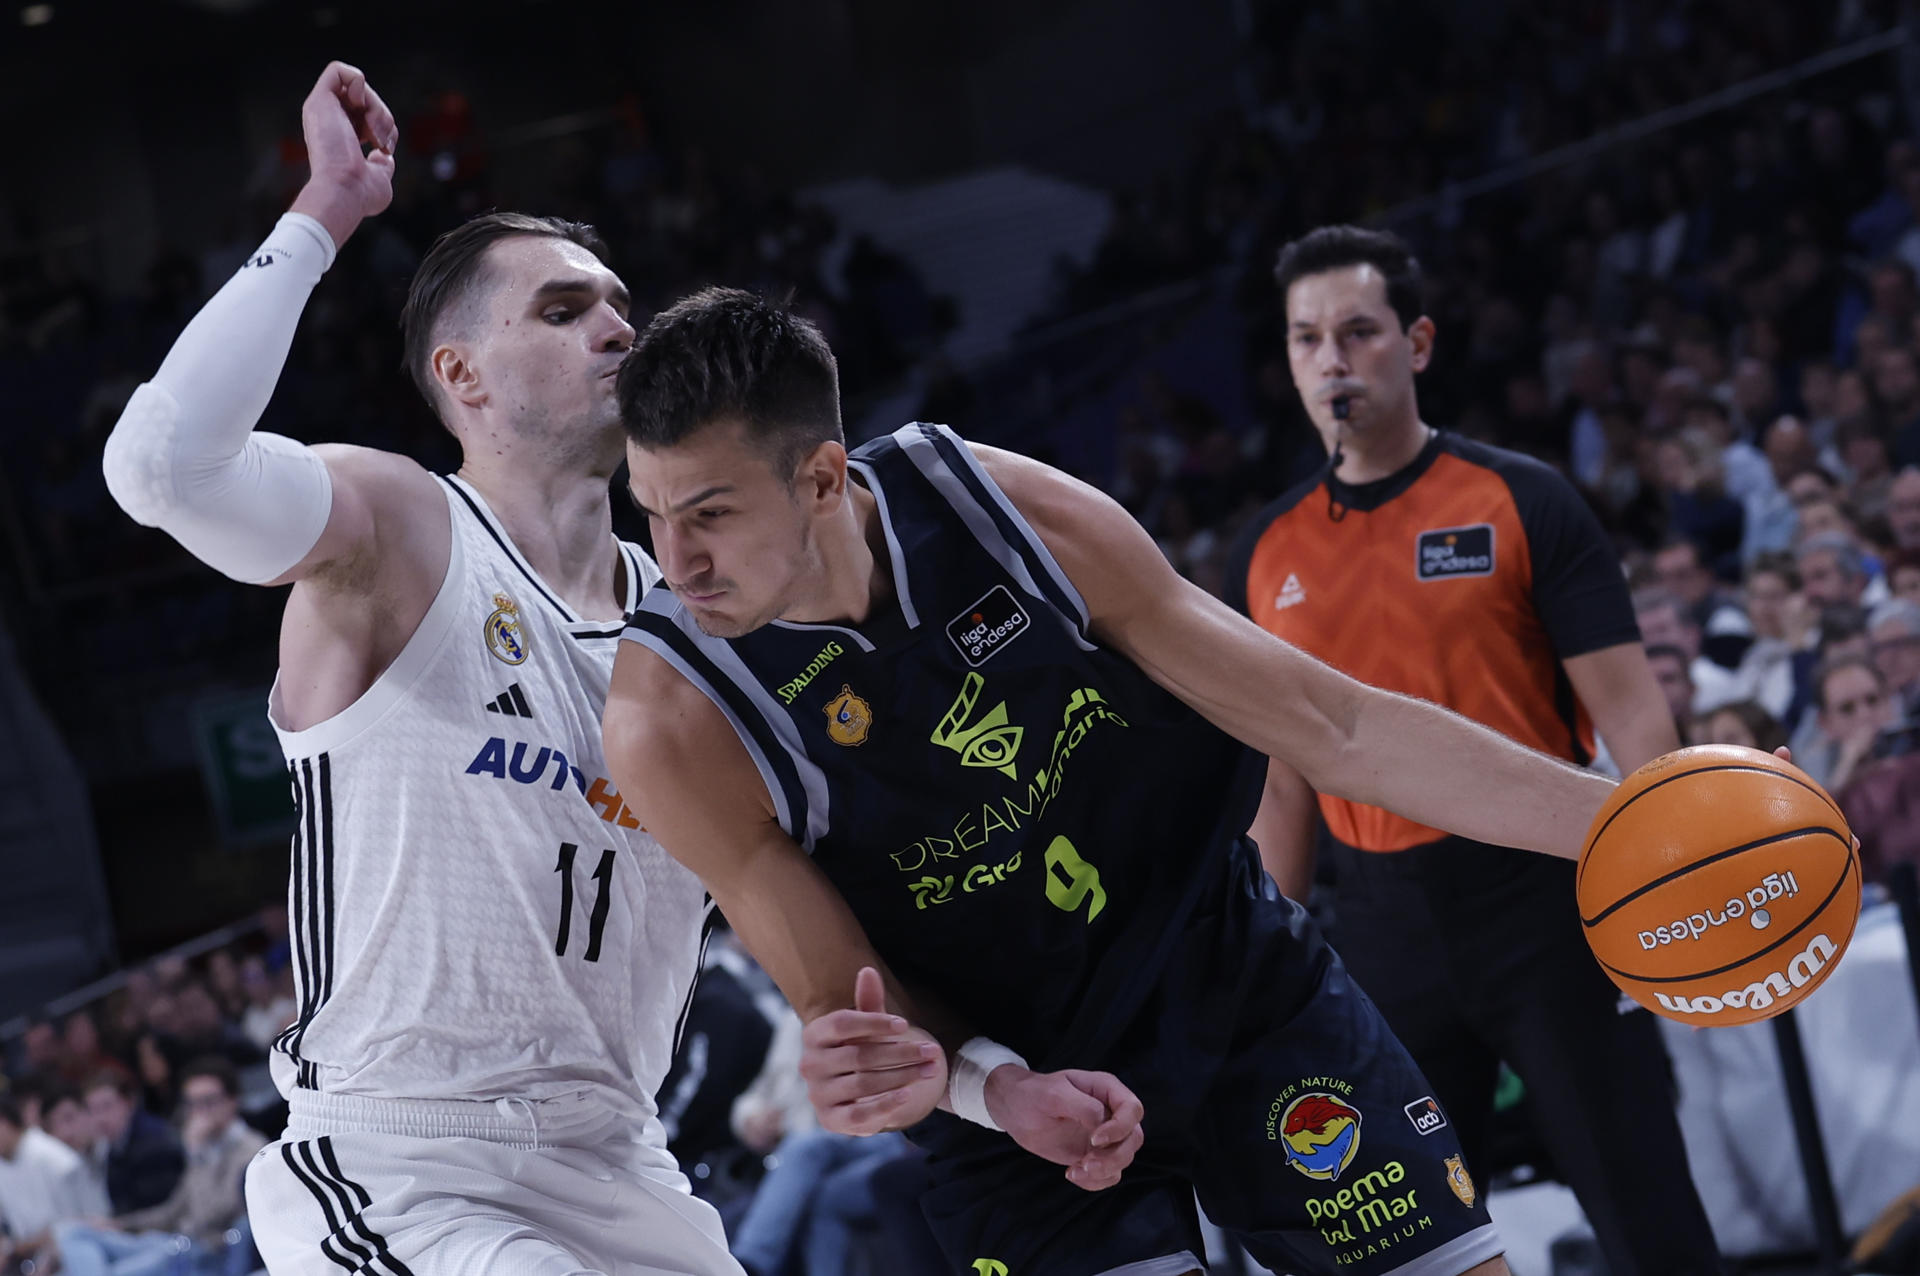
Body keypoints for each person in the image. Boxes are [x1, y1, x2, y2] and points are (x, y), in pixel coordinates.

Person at [603, 286, 1639, 1276]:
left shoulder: (1003, 519)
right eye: (650, 514)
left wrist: (1635, 821)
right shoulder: (674, 718)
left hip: (1226, 976)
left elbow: (1337, 724)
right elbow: (848, 992)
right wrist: (979, 1085)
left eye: (709, 513)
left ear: (823, 477)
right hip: (1014, 1093)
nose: (676, 562)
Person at [100, 63, 737, 1275]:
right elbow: (162, 471)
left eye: (617, 304)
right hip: (409, 1164)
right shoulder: (401, 531)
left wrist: (984, 1084)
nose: (617, 327)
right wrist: (324, 213)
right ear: (463, 376)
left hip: (624, 1169)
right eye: (560, 310)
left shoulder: (705, 628)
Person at [1225, 225, 1717, 1276]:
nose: (1332, 360)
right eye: (1307, 338)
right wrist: (1267, 955)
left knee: (1646, 1212)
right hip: (1381, 928)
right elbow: (1282, 777)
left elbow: (1634, 716)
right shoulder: (1263, 553)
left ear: (1420, 343)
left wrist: (1675, 875)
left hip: (1550, 901)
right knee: (1416, 1248)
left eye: (1358, 332)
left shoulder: (1521, 498)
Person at [54, 1058, 266, 1276]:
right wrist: (121, 1225)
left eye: (208, 1101)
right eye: (193, 1104)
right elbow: (173, 1211)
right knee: (73, 1234)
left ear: (232, 1101)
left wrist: (195, 1155)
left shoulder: (250, 1149)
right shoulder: (207, 1148)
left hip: (207, 1252)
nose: (200, 1112)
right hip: (174, 1244)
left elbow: (210, 1217)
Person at [0, 1094, 100, 1272]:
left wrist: (18, 1247)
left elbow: (79, 1225)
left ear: (5, 1123)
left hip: (76, 1254)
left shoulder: (54, 1158)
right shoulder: (4, 1161)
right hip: (26, 1257)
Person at [82, 1072, 183, 1216]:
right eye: (93, 1110)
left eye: (107, 1106)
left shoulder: (156, 1142)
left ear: (129, 1102)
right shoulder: (110, 1145)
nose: (100, 1118)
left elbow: (158, 1209)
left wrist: (115, 1225)